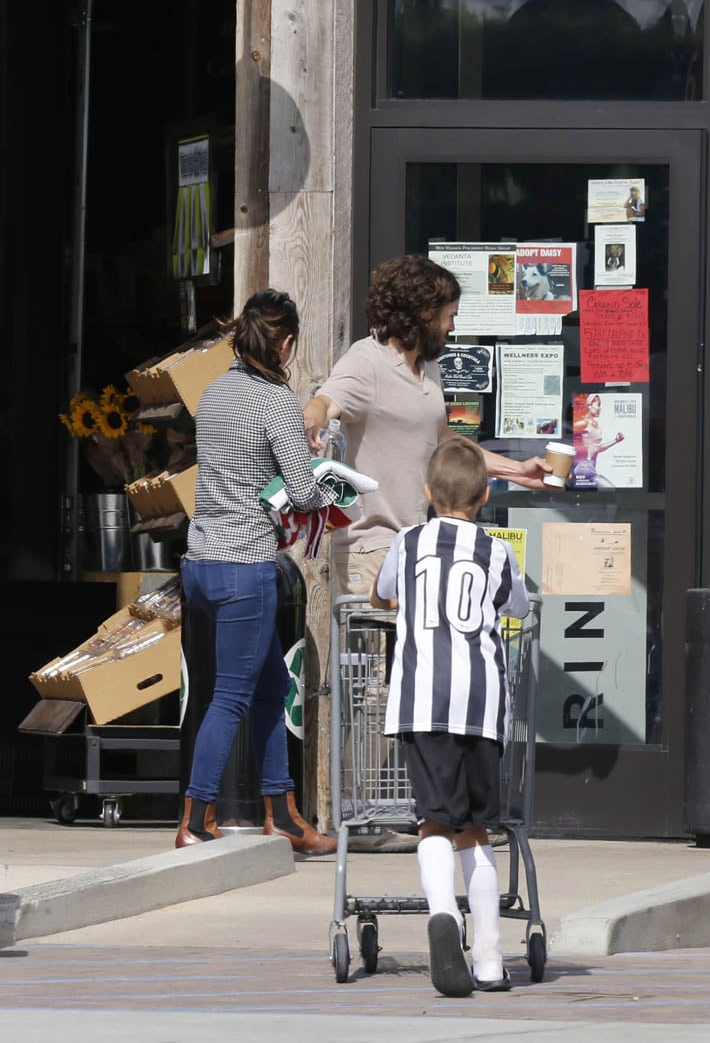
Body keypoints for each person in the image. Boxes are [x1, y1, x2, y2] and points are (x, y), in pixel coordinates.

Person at [176, 289, 337, 855]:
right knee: (232, 696)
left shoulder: (214, 393)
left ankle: (285, 817)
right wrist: (333, 475)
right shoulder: (276, 402)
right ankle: (195, 819)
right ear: (286, 342)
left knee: (271, 685)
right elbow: (301, 491)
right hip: (245, 565)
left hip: (200, 563)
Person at [369, 436, 529, 997]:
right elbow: (517, 606)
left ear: (427, 491)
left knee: (433, 822)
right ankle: (488, 957)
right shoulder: (497, 551)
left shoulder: (408, 544)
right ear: (486, 494)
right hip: (481, 706)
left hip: (422, 701)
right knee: (476, 830)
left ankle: (444, 916)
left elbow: (381, 595)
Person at [303, 254, 550, 597]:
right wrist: (313, 421)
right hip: (371, 550)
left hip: (414, 544)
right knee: (383, 652)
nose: (453, 327)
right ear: (424, 313)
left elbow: (442, 441)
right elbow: (324, 401)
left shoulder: (428, 367)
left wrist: (516, 471)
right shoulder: (367, 360)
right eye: (450, 316)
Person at [572, 392, 624, 489]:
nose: (600, 408)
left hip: (590, 467)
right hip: (584, 467)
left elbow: (597, 448)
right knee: (611, 490)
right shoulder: (584, 423)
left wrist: (616, 440)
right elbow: (568, 436)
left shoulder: (594, 425)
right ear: (590, 405)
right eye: (598, 404)